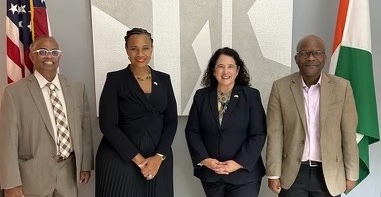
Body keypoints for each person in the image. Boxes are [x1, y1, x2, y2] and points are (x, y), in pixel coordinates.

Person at [0, 36, 94, 197]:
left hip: (68, 174)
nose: (49, 56)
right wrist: (11, 183)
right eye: (42, 52)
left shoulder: (77, 88)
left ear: (59, 56)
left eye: (54, 52)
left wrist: (85, 165)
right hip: (32, 177)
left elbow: (84, 129)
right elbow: (7, 141)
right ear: (32, 56)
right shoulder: (13, 92)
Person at [266, 35, 359, 197]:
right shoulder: (280, 88)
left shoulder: (342, 87)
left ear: (324, 57)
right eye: (304, 53)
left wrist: (351, 173)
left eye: (316, 53)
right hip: (293, 174)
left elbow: (348, 133)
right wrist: (273, 173)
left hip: (329, 173)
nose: (311, 58)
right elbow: (274, 134)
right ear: (296, 58)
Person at [95, 27, 178, 197]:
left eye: (145, 48)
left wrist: (158, 157)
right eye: (134, 48)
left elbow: (171, 121)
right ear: (126, 50)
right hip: (120, 159)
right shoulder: (115, 79)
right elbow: (107, 125)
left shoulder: (164, 79)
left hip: (158, 160)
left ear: (152, 49)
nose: (140, 53)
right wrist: (139, 160)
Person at [185, 47, 266, 197]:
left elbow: (258, 134)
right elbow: (192, 132)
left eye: (230, 66)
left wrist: (237, 163)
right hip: (212, 174)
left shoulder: (251, 96)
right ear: (213, 70)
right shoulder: (201, 96)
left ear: (238, 70)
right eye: (220, 66)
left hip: (244, 175)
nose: (226, 71)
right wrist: (205, 160)